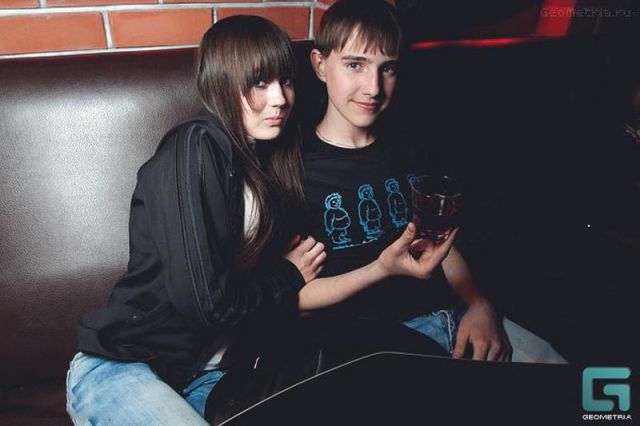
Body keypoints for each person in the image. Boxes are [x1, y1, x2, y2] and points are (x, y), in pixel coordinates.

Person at [65, 16, 328, 425]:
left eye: (287, 81)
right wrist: (287, 275)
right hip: (125, 365)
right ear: (222, 82)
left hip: (215, 378)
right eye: (259, 82)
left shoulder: (269, 167)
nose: (279, 98)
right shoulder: (194, 146)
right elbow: (208, 307)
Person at [300, 0, 567, 363]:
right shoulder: (299, 169)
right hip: (377, 342)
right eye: (355, 65)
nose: (374, 88)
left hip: (455, 314)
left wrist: (478, 303)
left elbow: (441, 241)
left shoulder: (411, 147)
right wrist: (380, 270)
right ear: (320, 65)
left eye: (387, 68)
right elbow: (293, 297)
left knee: (559, 371)